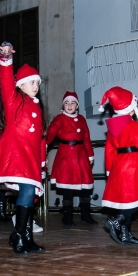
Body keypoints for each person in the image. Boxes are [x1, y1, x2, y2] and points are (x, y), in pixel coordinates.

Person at [0, 42, 47, 255]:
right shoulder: (14, 101)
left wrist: (41, 161)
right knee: (28, 191)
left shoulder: (36, 105)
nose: (35, 86)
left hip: (30, 157)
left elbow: (39, 138)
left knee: (30, 194)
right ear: (19, 85)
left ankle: (25, 237)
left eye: (37, 82)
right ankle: (19, 234)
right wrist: (5, 58)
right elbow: (4, 81)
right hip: (16, 154)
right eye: (30, 82)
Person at [99, 87, 138, 245]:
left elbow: (109, 150)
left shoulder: (113, 128)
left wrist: (109, 169)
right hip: (132, 165)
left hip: (118, 165)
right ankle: (117, 220)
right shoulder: (134, 126)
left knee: (128, 201)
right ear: (130, 107)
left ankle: (125, 234)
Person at [46, 91, 96, 226]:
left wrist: (90, 155)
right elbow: (51, 132)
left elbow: (86, 138)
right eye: (67, 103)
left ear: (77, 106)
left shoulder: (82, 119)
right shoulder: (59, 119)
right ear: (63, 105)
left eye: (72, 103)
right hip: (66, 157)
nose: (69, 105)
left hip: (81, 157)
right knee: (68, 189)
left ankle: (86, 215)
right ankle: (67, 217)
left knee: (85, 188)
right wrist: (44, 143)